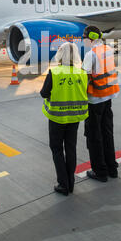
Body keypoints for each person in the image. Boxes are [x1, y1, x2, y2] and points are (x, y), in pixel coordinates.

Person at [40, 42, 88, 196]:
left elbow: (44, 93)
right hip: (75, 118)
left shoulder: (54, 73)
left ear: (60, 55)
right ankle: (71, 183)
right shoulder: (82, 73)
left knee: (57, 149)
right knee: (71, 148)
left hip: (57, 118)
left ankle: (63, 184)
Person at [82, 25, 120, 182]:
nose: (83, 40)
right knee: (107, 133)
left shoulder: (91, 54)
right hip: (108, 97)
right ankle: (112, 168)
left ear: (90, 37)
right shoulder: (108, 49)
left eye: (84, 37)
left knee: (94, 136)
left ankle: (100, 172)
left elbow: (85, 78)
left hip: (95, 100)